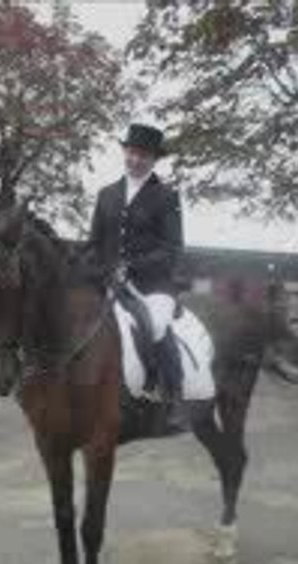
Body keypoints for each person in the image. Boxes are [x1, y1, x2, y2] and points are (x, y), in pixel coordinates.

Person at [85, 123, 188, 428]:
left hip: (152, 285)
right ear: (125, 152)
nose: (135, 159)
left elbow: (172, 249)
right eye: (132, 152)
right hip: (107, 282)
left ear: (154, 159)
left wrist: (133, 266)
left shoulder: (166, 196)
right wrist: (80, 267)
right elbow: (94, 244)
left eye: (143, 155)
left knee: (156, 325)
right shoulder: (106, 194)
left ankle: (172, 397)